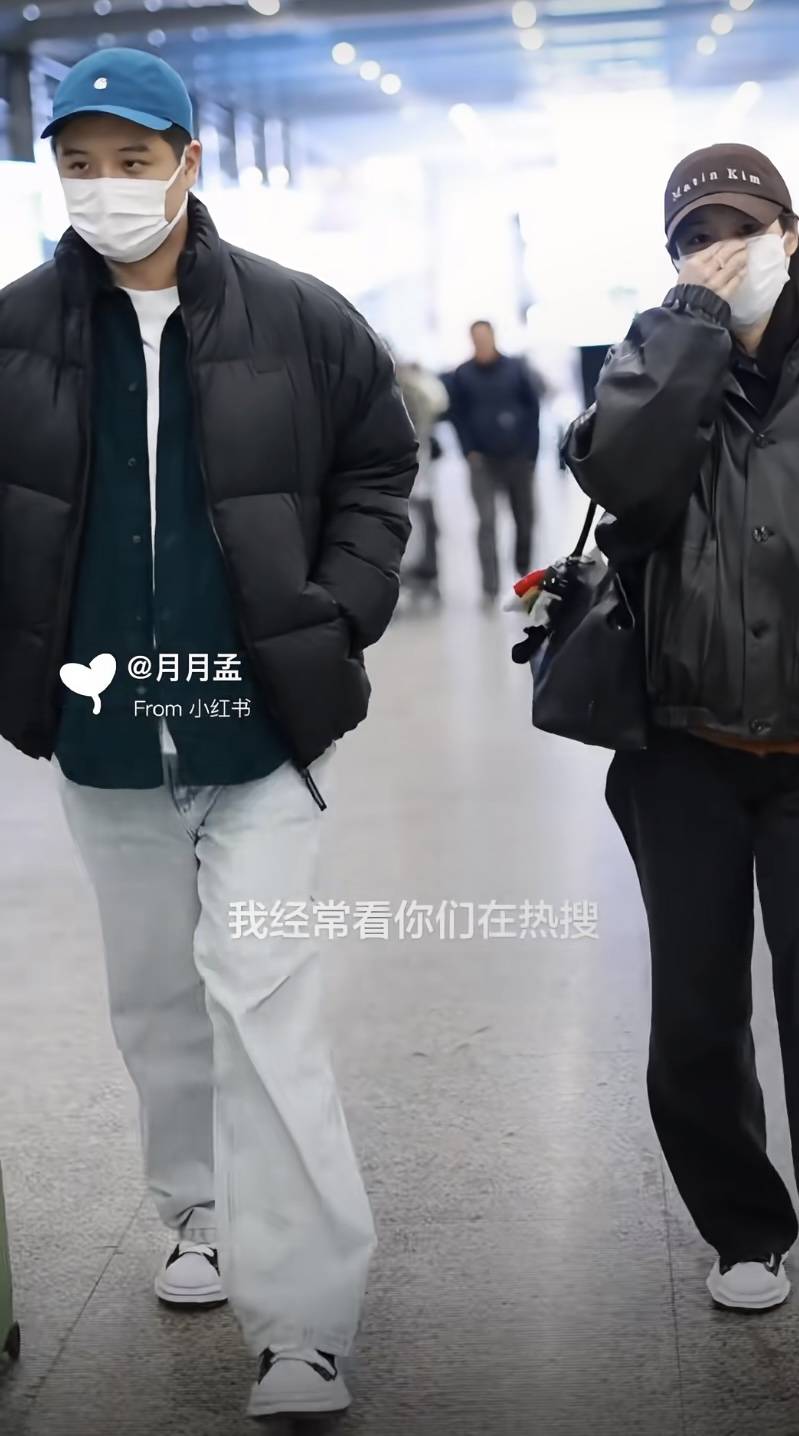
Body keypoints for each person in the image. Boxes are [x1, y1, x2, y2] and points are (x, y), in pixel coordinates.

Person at [0, 48, 417, 1419]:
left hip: (260, 729)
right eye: (79, 163)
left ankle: (305, 1324)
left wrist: (340, 608)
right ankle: (195, 1211)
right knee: (156, 999)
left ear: (189, 161)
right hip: (107, 727)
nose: (105, 187)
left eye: (133, 160)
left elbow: (378, 462)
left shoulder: (300, 318)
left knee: (262, 994)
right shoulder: (16, 332)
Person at [562, 143, 799, 1390]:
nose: (722, 249)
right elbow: (614, 468)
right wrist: (688, 326)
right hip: (683, 747)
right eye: (694, 236)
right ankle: (744, 1224)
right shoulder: (655, 354)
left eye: (742, 226)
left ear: (791, 231)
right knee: (695, 1013)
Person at [445, 320, 542, 605]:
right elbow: (456, 415)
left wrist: (531, 451)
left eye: (485, 338)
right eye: (476, 339)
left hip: (517, 456)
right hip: (483, 460)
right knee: (486, 522)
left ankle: (524, 575)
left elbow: (533, 408)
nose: (481, 343)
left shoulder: (515, 369)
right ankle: (490, 587)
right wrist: (468, 450)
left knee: (524, 518)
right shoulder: (463, 374)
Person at [396, 358, 448, 600]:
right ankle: (418, 573)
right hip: (408, 474)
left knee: (420, 523)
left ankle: (425, 573)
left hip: (415, 472)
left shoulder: (411, 390)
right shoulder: (405, 389)